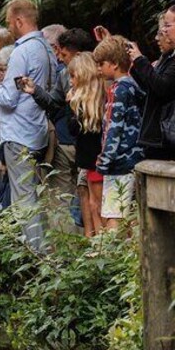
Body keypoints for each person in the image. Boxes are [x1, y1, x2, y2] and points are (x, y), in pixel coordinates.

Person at [0, 0, 57, 251]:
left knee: (25, 200)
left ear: (20, 21)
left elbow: (9, 99)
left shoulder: (22, 51)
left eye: (10, 23)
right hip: (38, 130)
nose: (9, 28)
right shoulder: (46, 48)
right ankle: (39, 253)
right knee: (35, 195)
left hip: (19, 134)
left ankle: (39, 258)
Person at [20, 28, 96, 225]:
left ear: (78, 55)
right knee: (67, 199)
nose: (59, 59)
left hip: (91, 149)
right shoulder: (64, 76)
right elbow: (54, 102)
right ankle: (70, 245)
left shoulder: (100, 78)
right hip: (67, 141)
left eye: (64, 54)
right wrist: (34, 90)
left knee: (92, 200)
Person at [93, 35, 145, 229]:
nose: (98, 68)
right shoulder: (135, 85)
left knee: (113, 214)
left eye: (101, 64)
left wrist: (104, 161)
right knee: (131, 215)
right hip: (136, 158)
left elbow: (112, 129)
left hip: (119, 162)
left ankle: (110, 257)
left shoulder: (117, 90)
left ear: (114, 64)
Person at [65, 52, 106, 236]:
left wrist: (70, 106)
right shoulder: (100, 98)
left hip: (93, 162)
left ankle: (103, 247)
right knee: (97, 203)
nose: (71, 81)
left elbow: (73, 129)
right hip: (97, 160)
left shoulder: (82, 104)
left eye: (73, 76)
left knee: (96, 204)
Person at [128, 5, 175, 161]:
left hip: (167, 139)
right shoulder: (167, 57)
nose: (163, 33)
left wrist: (140, 60)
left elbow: (162, 88)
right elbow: (150, 88)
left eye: (167, 26)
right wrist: (135, 63)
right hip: (158, 138)